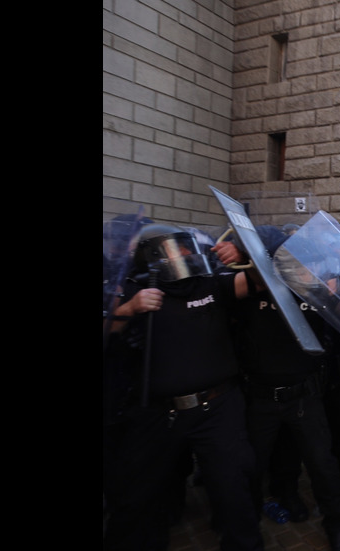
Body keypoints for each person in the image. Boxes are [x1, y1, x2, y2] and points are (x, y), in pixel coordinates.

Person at [103, 224, 263, 551]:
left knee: (233, 489)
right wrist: (127, 310)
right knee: (136, 495)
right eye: (177, 249)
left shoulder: (210, 283)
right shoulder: (133, 289)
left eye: (186, 248)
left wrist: (246, 254)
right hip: (156, 413)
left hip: (217, 408)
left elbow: (259, 282)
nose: (186, 255)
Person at [231, 225, 340, 551]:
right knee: (252, 466)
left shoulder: (316, 293)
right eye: (291, 262)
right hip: (260, 397)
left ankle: (338, 525)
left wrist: (333, 293)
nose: (300, 270)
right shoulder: (255, 289)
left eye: (305, 264)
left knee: (321, 464)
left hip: (304, 395)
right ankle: (248, 526)